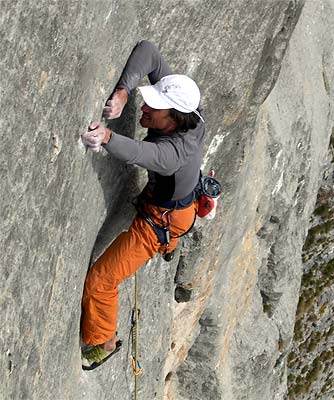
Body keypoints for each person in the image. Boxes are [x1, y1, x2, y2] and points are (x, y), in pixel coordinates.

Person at [79, 40, 205, 370]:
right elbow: (148, 51)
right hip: (171, 206)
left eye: (154, 107)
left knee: (101, 282)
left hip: (160, 222)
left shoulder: (173, 154)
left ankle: (102, 342)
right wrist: (123, 90)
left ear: (175, 119)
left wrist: (105, 137)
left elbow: (140, 154)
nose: (145, 108)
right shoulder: (190, 114)